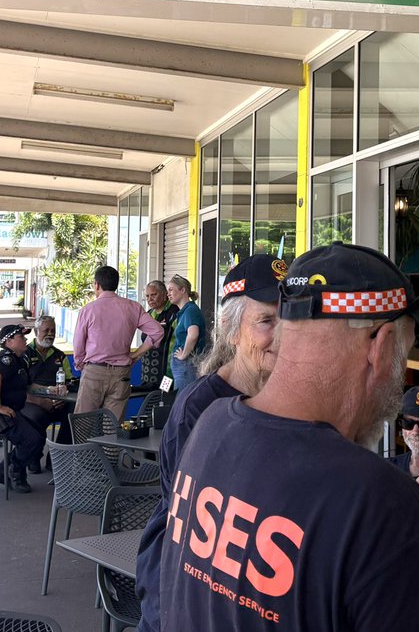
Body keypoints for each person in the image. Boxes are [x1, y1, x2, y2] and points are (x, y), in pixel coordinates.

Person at [156, 242, 419, 631]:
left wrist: (392, 539)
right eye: (406, 350)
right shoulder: (378, 502)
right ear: (381, 344)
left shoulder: (211, 424)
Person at [136, 254, 287, 632]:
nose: (283, 334)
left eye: (290, 319)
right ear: (231, 329)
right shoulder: (201, 406)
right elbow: (192, 520)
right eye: (267, 320)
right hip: (188, 588)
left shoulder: (283, 400)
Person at [74, 265, 165, 420]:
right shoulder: (133, 307)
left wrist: (80, 365)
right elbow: (158, 331)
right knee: (112, 426)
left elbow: (78, 344)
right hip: (121, 374)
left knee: (84, 423)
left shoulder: (88, 310)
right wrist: (136, 355)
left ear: (97, 284)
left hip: (94, 371)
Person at [0, 325, 46, 494]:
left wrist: (50, 390)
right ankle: (15, 472)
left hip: (3, 414)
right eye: (21, 337)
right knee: (31, 439)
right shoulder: (6, 360)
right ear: (9, 341)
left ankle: (3, 472)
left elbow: (28, 386)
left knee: (39, 434)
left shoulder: (19, 359)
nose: (25, 339)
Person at [20, 315, 74, 474]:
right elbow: (21, 386)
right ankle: (34, 457)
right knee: (37, 417)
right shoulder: (24, 354)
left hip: (57, 401)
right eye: (46, 330)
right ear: (36, 331)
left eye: (53, 331)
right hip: (31, 402)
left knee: (74, 415)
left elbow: (69, 381)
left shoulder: (60, 355)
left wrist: (63, 398)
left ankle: (56, 459)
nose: (50, 334)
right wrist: (41, 401)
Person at [166, 274, 206, 393]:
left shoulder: (190, 311)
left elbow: (193, 334)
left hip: (186, 364)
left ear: (183, 290)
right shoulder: (184, 312)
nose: (168, 294)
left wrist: (184, 355)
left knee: (183, 398)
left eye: (171, 290)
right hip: (181, 365)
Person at [141, 280, 179, 389]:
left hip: (167, 372)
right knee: (148, 397)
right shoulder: (149, 314)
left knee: (164, 396)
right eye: (147, 296)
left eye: (154, 295)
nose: (150, 299)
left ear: (164, 294)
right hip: (148, 371)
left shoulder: (174, 313)